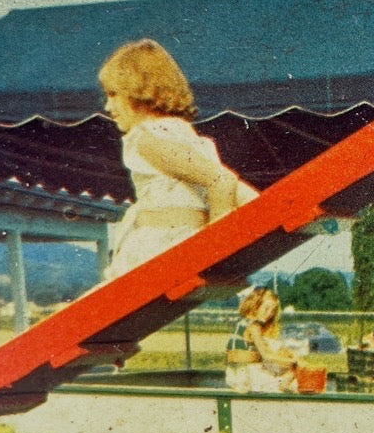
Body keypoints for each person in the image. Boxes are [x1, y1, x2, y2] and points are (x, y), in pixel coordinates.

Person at [98, 38, 258, 279]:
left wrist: (217, 244)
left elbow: (221, 180)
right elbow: (239, 191)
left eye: (113, 95)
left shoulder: (146, 138)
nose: (108, 106)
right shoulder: (189, 137)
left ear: (140, 91)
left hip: (157, 248)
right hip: (181, 242)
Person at [224, 286, 299, 393]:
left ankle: (283, 386)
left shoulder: (243, 322)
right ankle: (283, 387)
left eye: (273, 311)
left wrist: (286, 354)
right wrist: (293, 361)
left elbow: (269, 346)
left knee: (284, 368)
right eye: (266, 309)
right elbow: (266, 355)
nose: (269, 314)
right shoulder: (254, 327)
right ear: (255, 306)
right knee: (292, 372)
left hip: (234, 374)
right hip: (247, 377)